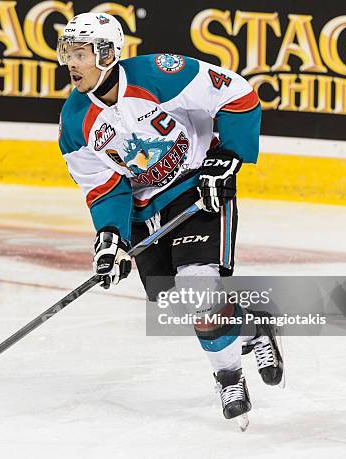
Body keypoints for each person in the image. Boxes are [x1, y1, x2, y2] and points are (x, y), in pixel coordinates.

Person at [56, 12, 283, 425]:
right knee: (176, 300)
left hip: (194, 189)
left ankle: (228, 376)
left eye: (80, 53)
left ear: (106, 54)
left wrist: (227, 157)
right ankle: (252, 328)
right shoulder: (75, 123)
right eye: (66, 52)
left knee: (199, 291)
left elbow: (237, 94)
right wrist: (111, 236)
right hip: (145, 212)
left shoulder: (158, 74)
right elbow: (103, 186)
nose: (71, 62)